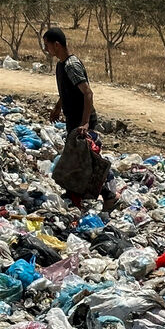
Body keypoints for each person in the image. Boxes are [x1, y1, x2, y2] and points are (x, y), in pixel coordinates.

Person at [43, 27, 117, 212]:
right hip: (74, 121)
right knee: (76, 160)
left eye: (47, 45)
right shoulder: (62, 65)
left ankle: (109, 196)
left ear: (57, 45)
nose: (46, 50)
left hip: (82, 122)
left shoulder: (71, 65)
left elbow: (88, 93)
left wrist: (84, 123)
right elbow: (69, 90)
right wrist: (58, 106)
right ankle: (74, 196)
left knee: (89, 160)